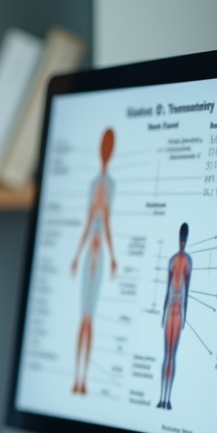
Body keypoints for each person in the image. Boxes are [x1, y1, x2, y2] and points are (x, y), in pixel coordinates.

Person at [70, 127, 118, 395]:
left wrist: (112, 257)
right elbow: (89, 223)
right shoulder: (94, 185)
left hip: (98, 260)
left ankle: (84, 379)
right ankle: (76, 380)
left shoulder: (110, 186)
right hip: (90, 255)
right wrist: (78, 255)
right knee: (83, 317)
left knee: (91, 317)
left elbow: (106, 224)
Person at [158, 223, 192, 410]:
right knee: (166, 355)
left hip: (178, 312)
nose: (182, 241)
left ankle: (168, 398)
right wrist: (164, 314)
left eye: (184, 238)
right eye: (181, 237)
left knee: (173, 355)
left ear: (187, 240)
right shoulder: (172, 261)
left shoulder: (188, 262)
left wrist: (184, 315)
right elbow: (166, 289)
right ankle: (162, 397)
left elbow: (187, 292)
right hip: (171, 309)